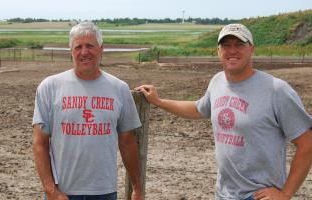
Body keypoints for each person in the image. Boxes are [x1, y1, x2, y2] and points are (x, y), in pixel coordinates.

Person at [135, 23, 312, 200]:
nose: (232, 50)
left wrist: (285, 194)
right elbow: (199, 109)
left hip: (258, 195)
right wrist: (159, 101)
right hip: (224, 194)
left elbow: (307, 143)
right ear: (218, 50)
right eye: (226, 45)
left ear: (251, 49)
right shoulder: (217, 81)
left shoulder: (276, 90)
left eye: (239, 44)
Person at [33, 21, 144, 200]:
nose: (84, 52)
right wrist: (51, 191)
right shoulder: (49, 87)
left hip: (104, 191)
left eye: (90, 46)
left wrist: (137, 188)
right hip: (63, 192)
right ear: (71, 51)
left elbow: (127, 141)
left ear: (101, 49)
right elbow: (40, 143)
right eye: (78, 47)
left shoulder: (119, 88)